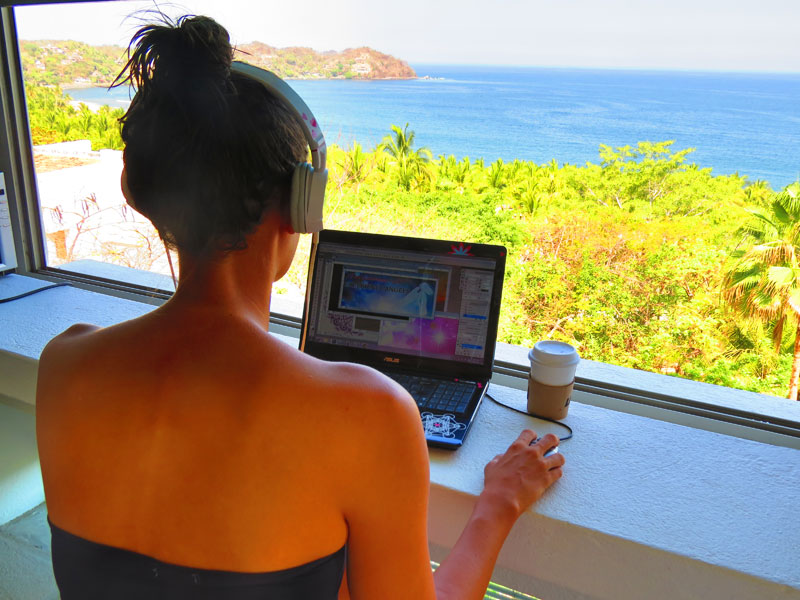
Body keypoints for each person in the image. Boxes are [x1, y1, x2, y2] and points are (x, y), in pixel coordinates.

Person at [35, 14, 565, 600]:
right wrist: (498, 503)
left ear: (137, 193)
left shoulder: (65, 364)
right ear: (302, 206)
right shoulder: (364, 415)